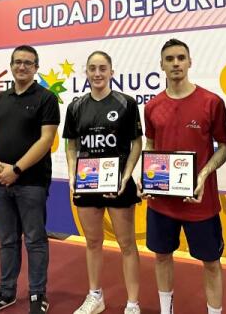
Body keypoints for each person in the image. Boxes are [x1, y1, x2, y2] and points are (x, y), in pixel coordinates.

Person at [143, 38, 226, 314]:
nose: (176, 63)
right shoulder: (153, 106)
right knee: (162, 257)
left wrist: (203, 175)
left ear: (190, 62)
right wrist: (146, 176)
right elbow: (151, 145)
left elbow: (225, 147)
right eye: (169, 59)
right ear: (161, 65)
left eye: (181, 57)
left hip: (199, 202)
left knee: (211, 263)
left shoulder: (211, 102)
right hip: (161, 203)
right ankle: (166, 310)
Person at [0, 45, 60, 314]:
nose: (22, 67)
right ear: (11, 66)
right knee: (7, 240)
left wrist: (17, 170)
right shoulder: (0, 99)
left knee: (35, 239)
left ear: (36, 67)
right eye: (17, 62)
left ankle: (37, 295)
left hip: (32, 182)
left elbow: (46, 139)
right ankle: (6, 292)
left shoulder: (46, 98)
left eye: (28, 63)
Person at [63, 51, 143, 314]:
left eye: (102, 68)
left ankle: (132, 304)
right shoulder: (75, 107)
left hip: (118, 184)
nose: (97, 73)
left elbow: (136, 143)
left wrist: (127, 174)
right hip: (88, 184)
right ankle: (95, 296)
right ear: (86, 72)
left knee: (127, 244)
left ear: (111, 72)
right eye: (92, 69)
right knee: (92, 242)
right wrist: (72, 175)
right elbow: (72, 144)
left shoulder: (126, 103)